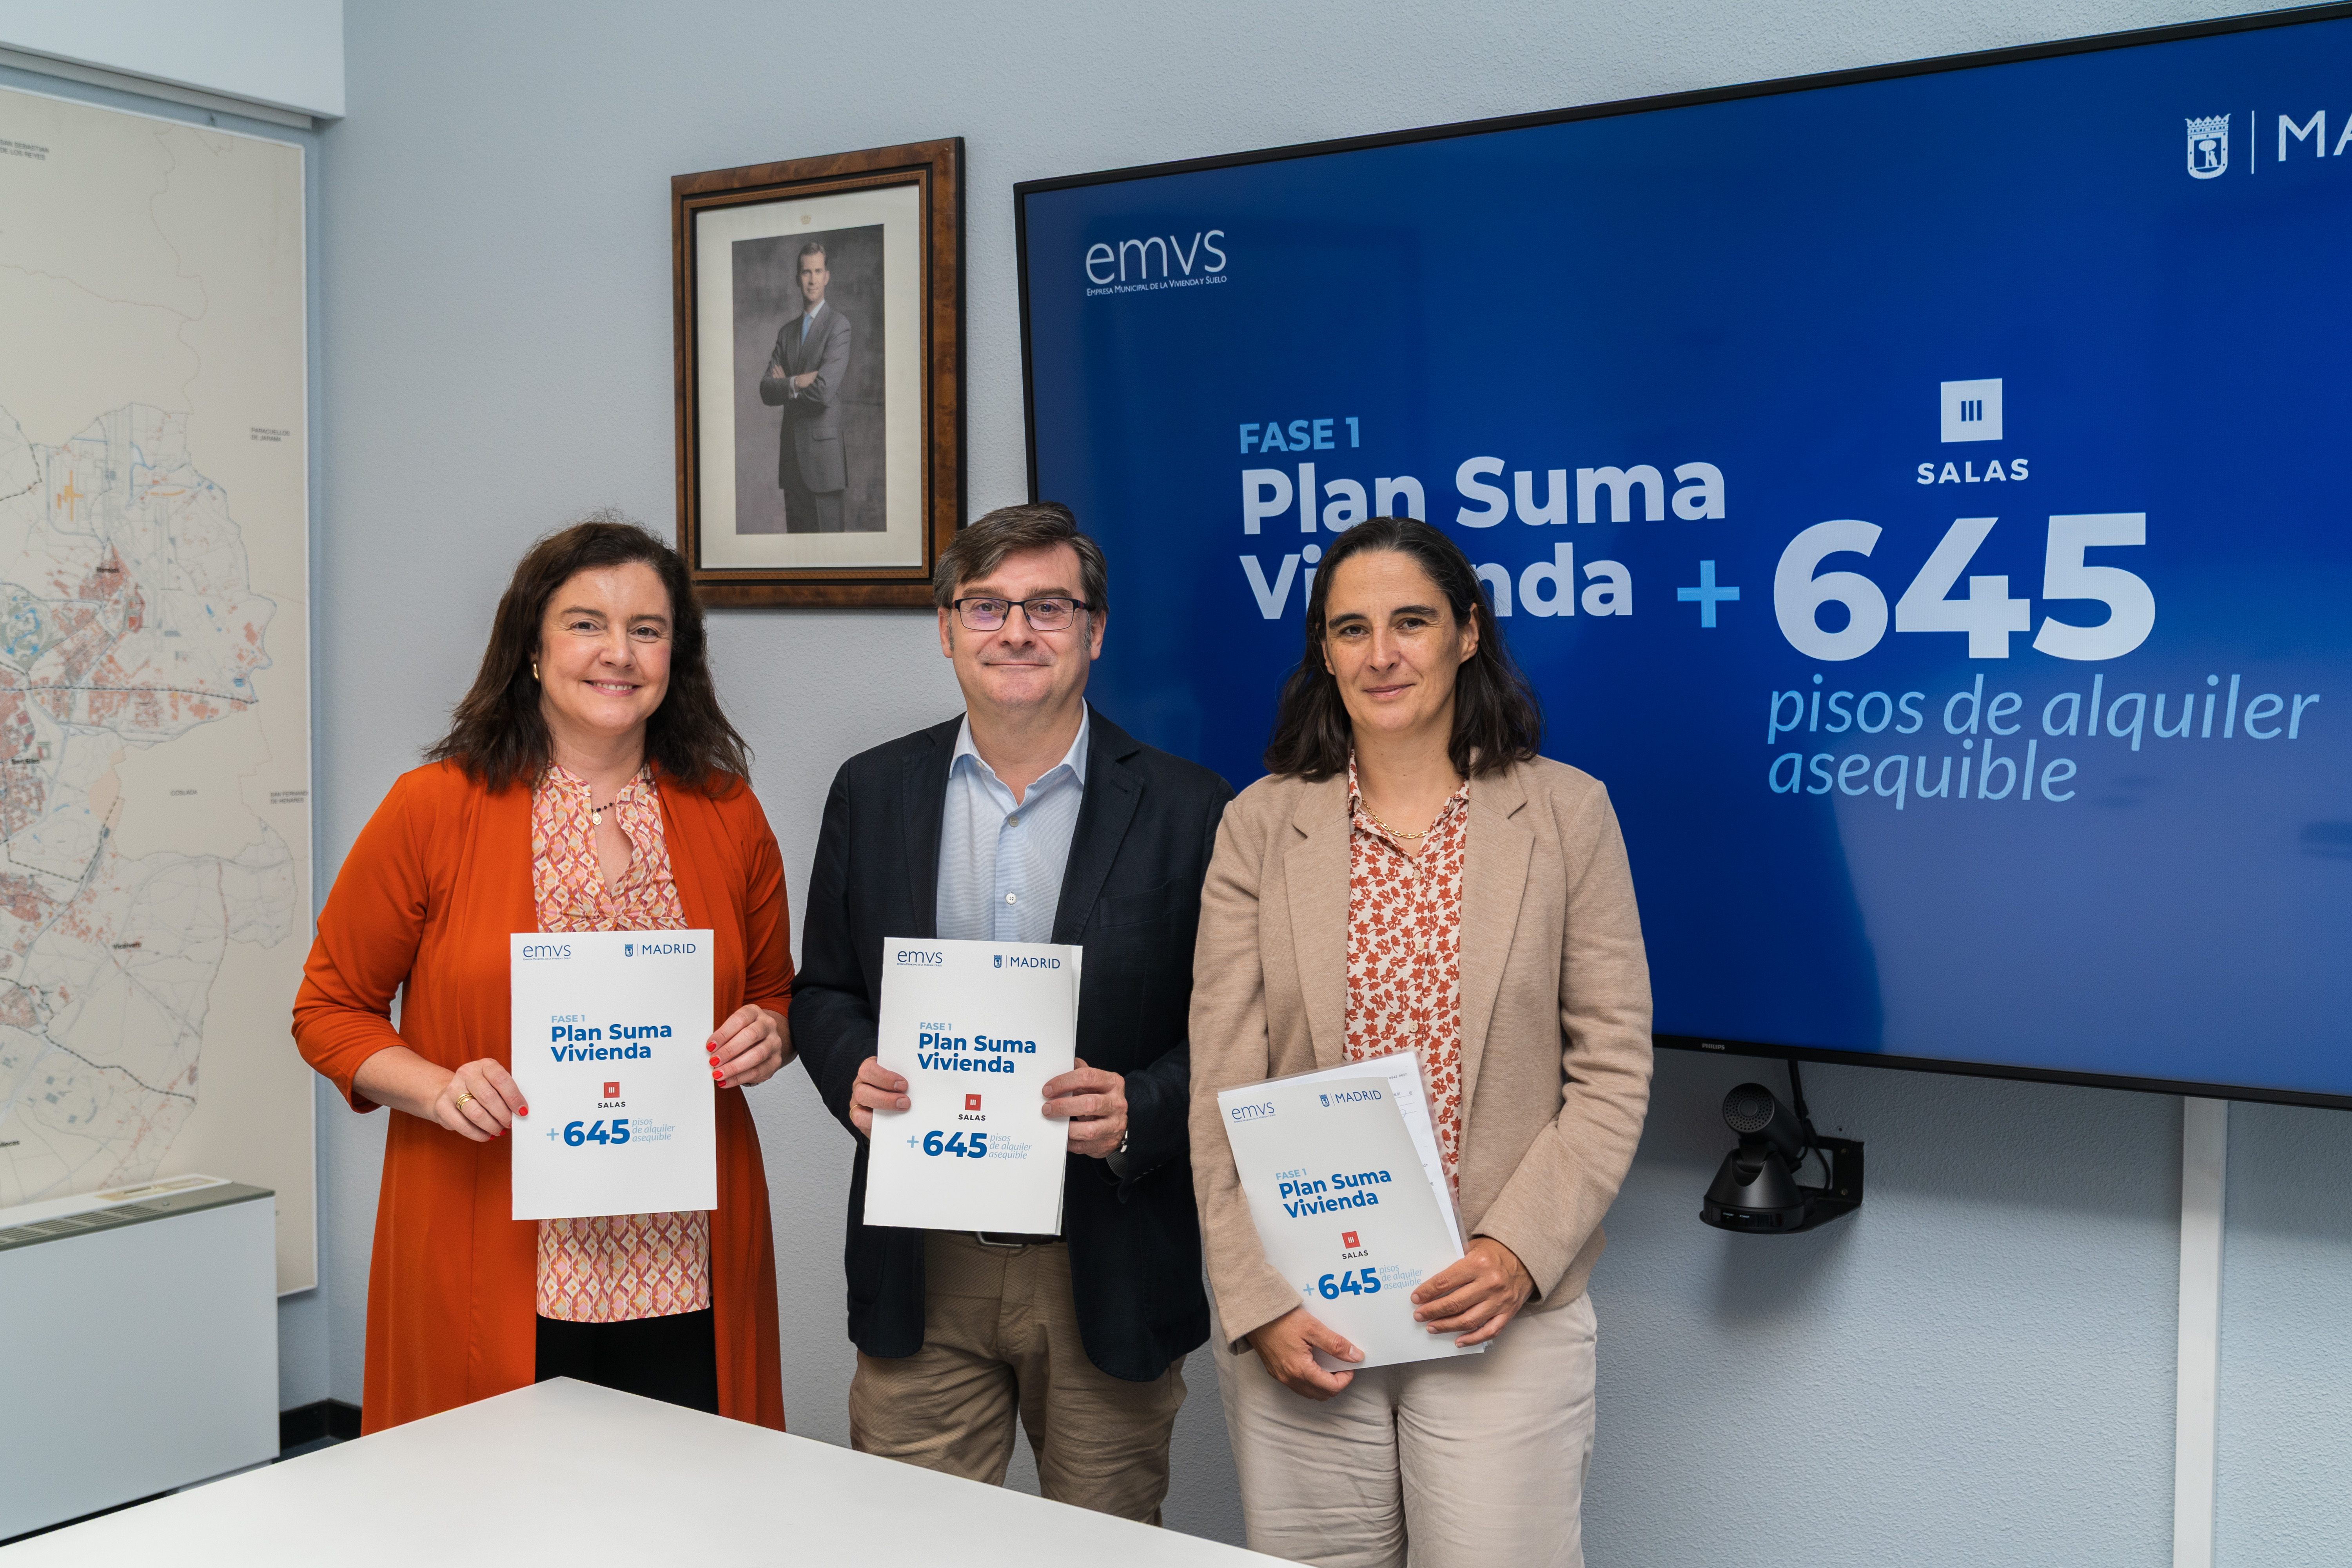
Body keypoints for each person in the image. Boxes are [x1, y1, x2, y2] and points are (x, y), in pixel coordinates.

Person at [1188, 515, 1653, 1566]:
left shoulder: (1568, 814)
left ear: (1468, 632)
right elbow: (1222, 1089)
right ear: (1323, 651)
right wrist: (1258, 1300)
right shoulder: (1260, 827)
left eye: (1412, 622)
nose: (1382, 654)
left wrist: (1516, 1252)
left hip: (1498, 1315)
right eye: (1351, 629)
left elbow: (1614, 1068)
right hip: (1309, 1309)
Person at [292, 517, 793, 1433]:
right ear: (530, 647)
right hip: (492, 1233)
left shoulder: (729, 812)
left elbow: (773, 993)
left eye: (647, 628)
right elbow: (330, 1009)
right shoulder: (432, 807)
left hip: (682, 1247)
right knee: (497, 1496)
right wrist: (438, 1087)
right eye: (585, 623)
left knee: (691, 1496)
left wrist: (770, 1031)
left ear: (676, 655)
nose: (619, 652)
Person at [792, 502, 1232, 1522]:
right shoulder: (873, 790)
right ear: (947, 628)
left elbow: (1235, 1034)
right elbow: (824, 990)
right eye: (986, 606)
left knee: (1105, 1548)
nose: (1017, 632)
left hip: (1106, 1254)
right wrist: (850, 1065)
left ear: (1095, 630)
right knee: (914, 1542)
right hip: (923, 1256)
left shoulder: (1191, 807)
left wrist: (1142, 1109)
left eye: (1049, 606)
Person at [759, 239, 853, 533]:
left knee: (830, 555)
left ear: (827, 276)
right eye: (806, 272)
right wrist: (798, 381)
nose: (812, 280)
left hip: (824, 466)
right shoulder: (786, 333)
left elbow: (823, 392)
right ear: (797, 279)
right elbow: (766, 389)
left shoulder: (839, 326)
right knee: (796, 556)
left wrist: (785, 387)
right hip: (792, 463)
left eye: (818, 271)